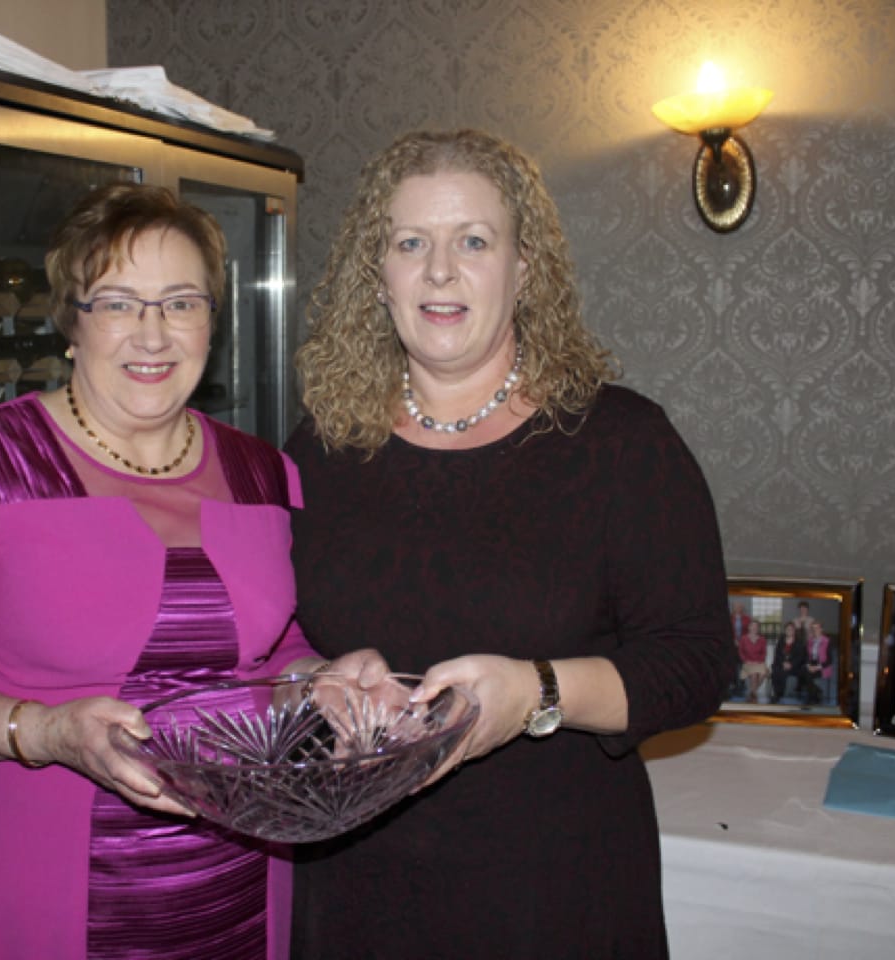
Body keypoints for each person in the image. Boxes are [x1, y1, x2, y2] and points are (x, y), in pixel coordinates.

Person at [0, 183, 380, 960]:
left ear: (213, 320)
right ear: (70, 323)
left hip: (243, 871)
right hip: (53, 885)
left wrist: (319, 676)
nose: (153, 333)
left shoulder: (260, 471)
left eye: (181, 302)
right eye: (116, 303)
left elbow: (267, 650)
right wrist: (45, 730)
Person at [285, 129, 736, 958]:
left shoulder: (620, 442)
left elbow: (697, 662)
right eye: (409, 242)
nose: (440, 270)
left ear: (523, 270)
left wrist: (535, 694)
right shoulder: (320, 447)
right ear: (377, 276)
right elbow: (277, 645)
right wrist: (312, 680)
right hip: (356, 881)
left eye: (473, 241)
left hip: (554, 889)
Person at [770, 620, 812, 704]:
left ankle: (779, 693)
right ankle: (777, 693)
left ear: (794, 631)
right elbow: (777, 654)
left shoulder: (799, 642)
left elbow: (800, 657)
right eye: (787, 629)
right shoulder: (781, 641)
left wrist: (791, 664)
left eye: (791, 629)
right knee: (776, 671)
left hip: (794, 666)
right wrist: (783, 663)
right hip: (781, 663)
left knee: (783, 672)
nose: (789, 631)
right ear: (785, 630)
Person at [738, 618, 770, 703]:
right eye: (752, 626)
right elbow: (740, 652)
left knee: (764, 673)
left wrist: (758, 661)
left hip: (759, 662)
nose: (754, 628)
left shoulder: (762, 639)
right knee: (754, 674)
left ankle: (752, 691)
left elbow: (764, 653)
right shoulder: (743, 638)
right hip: (748, 662)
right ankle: (754, 696)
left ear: (758, 628)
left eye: (756, 626)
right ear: (749, 627)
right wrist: (746, 660)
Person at [806, 619, 834, 705]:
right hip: (812, 663)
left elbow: (830, 660)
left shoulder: (827, 641)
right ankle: (817, 691)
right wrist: (808, 665)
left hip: (822, 666)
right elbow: (806, 655)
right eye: (813, 629)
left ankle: (812, 698)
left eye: (817, 628)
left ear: (821, 629)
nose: (815, 630)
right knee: (802, 672)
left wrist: (817, 667)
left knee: (808, 675)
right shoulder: (810, 641)